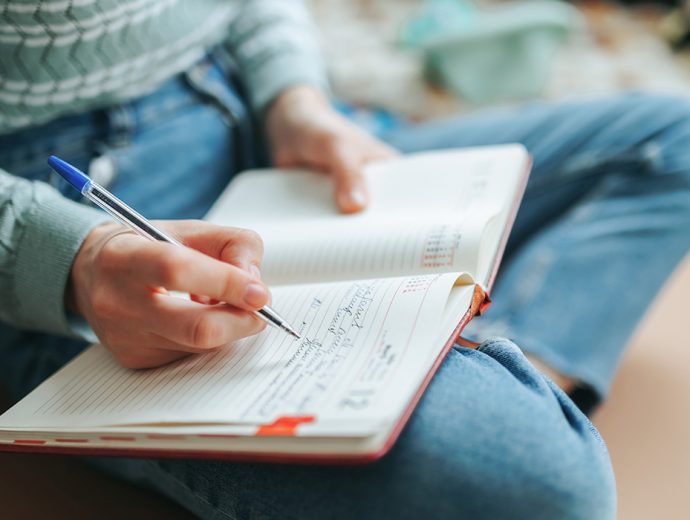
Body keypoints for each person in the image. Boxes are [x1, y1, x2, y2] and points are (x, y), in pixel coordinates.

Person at [1, 1, 689, 518]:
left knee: (676, 139)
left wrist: (295, 97)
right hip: (62, 220)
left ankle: (481, 357)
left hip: (258, 118)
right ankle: (465, 375)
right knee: (544, 486)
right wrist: (72, 258)